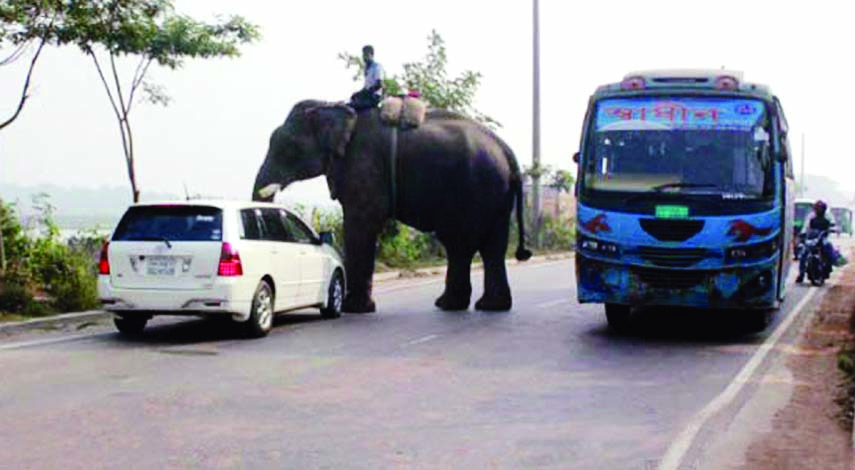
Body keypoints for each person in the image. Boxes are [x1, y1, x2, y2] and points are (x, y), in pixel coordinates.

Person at [796, 200, 836, 283]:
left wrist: (831, 229)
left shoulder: (828, 216)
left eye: (820, 208)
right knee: (803, 254)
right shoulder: (811, 216)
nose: (818, 210)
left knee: (828, 249)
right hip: (812, 238)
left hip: (823, 238)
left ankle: (828, 266)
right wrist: (802, 234)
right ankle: (801, 274)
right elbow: (806, 226)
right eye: (817, 208)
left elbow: (833, 224)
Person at [348, 45, 385, 111]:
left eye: (366, 55)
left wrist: (367, 92)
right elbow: (366, 86)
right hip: (367, 96)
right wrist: (359, 93)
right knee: (351, 101)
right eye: (363, 55)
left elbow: (379, 84)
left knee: (354, 106)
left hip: (374, 97)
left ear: (372, 55)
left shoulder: (377, 67)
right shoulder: (367, 69)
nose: (364, 57)